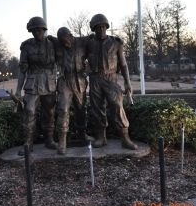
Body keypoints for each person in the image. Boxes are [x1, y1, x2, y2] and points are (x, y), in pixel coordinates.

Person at [85, 13, 138, 150]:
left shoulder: (116, 43)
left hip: (111, 78)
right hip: (95, 78)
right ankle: (101, 137)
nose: (101, 29)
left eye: (103, 27)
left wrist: (127, 82)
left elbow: (124, 64)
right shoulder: (89, 43)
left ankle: (125, 138)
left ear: (107, 27)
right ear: (93, 28)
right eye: (98, 27)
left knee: (117, 106)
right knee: (97, 109)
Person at [15, 16, 57, 153]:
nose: (37, 33)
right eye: (34, 31)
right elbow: (22, 70)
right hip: (32, 84)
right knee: (29, 112)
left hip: (49, 84)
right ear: (31, 31)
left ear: (44, 30)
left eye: (39, 30)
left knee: (50, 113)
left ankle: (49, 140)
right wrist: (18, 90)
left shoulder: (53, 44)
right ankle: (28, 143)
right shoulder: (26, 47)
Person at [54, 27, 89, 155]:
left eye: (66, 40)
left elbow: (96, 37)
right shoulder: (57, 44)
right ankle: (62, 140)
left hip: (79, 80)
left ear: (70, 35)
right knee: (63, 109)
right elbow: (43, 39)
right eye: (62, 41)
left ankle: (82, 134)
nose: (65, 43)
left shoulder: (82, 42)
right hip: (65, 80)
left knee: (81, 109)